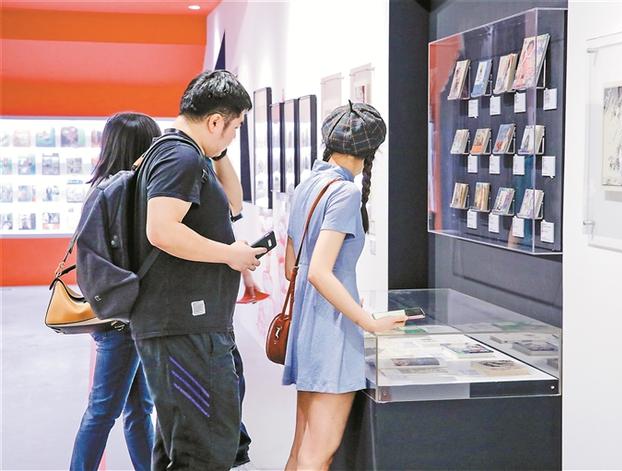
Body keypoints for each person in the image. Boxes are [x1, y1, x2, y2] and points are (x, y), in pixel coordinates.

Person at [130, 70, 265, 470]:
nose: (234, 136)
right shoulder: (181, 157)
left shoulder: (184, 154)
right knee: (202, 450)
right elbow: (162, 230)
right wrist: (229, 255)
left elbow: (232, 205)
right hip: (184, 327)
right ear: (215, 121)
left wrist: (232, 256)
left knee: (189, 443)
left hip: (189, 326)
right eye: (235, 127)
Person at [283, 102, 407, 470]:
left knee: (301, 450)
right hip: (332, 333)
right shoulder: (345, 192)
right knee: (317, 455)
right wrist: (369, 322)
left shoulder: (307, 185)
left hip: (308, 327)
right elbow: (319, 272)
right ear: (371, 152)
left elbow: (293, 267)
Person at [70, 112, 161, 471]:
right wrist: (133, 295)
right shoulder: (115, 192)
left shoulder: (126, 191)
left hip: (130, 315)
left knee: (139, 408)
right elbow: (91, 261)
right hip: (122, 320)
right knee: (103, 410)